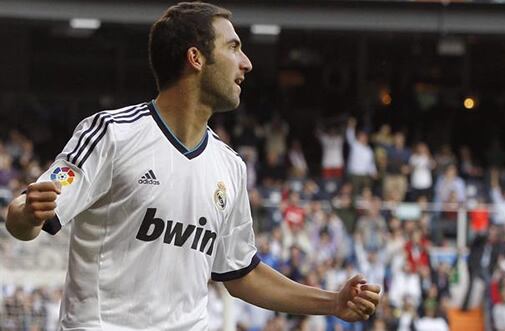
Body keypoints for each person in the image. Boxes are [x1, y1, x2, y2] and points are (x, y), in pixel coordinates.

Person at [5, 2, 380, 330]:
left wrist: (331, 302)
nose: (247, 63)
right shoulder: (112, 134)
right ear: (196, 58)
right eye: (233, 47)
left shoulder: (230, 165)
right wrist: (28, 213)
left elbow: (242, 273)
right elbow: (25, 214)